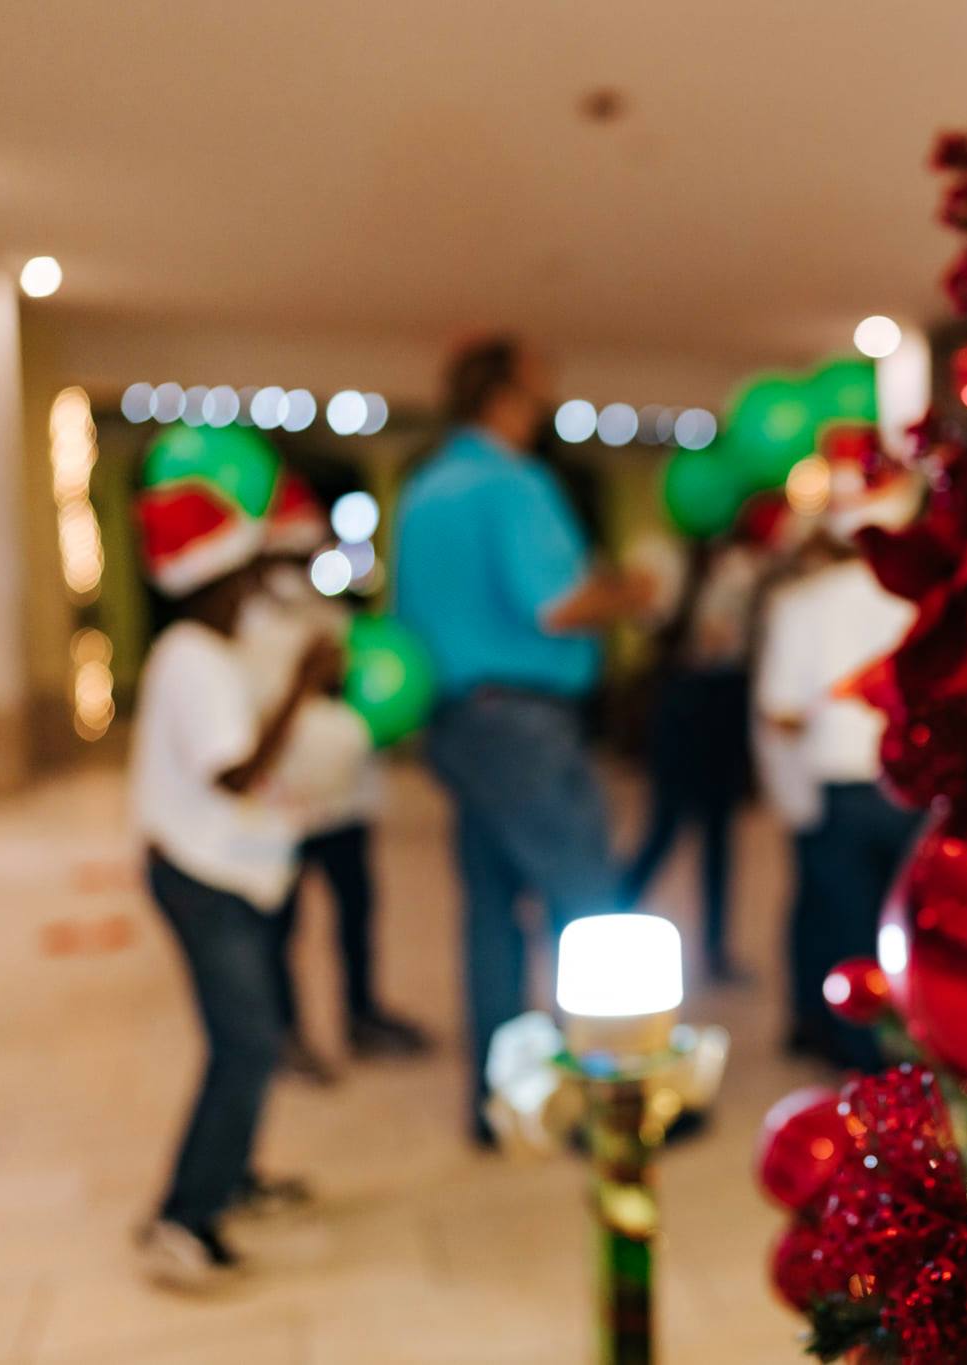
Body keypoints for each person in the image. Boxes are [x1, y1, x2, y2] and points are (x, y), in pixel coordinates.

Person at [394, 335, 645, 1145]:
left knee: (491, 919)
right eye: (538, 392)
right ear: (504, 396)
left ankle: (500, 1102)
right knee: (587, 906)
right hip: (525, 721)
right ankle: (605, 1103)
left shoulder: (424, 490)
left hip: (458, 721)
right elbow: (557, 603)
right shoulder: (513, 483)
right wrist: (631, 590)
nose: (544, 409)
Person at [130, 480, 344, 1289]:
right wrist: (302, 686)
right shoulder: (192, 659)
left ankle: (231, 1176)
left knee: (248, 1036)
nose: (259, 588)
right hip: (202, 874)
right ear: (216, 579)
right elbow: (234, 770)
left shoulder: (208, 653)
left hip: (229, 871)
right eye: (247, 573)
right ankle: (183, 1216)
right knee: (247, 1042)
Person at [239, 474, 431, 1080]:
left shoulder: (328, 603)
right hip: (285, 800)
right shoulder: (247, 619)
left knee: (356, 909)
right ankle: (286, 1034)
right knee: (282, 924)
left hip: (344, 795)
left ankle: (361, 1015)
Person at [754, 460, 920, 1069]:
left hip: (842, 789)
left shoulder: (805, 603)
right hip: (914, 787)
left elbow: (780, 709)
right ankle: (911, 1055)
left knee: (845, 928)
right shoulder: (925, 600)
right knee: (908, 928)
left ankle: (858, 1058)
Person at [616, 528, 764, 980]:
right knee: (665, 825)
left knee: (719, 834)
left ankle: (716, 948)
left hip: (727, 701)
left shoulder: (749, 564)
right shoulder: (663, 558)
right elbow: (651, 621)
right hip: (683, 699)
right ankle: (608, 916)